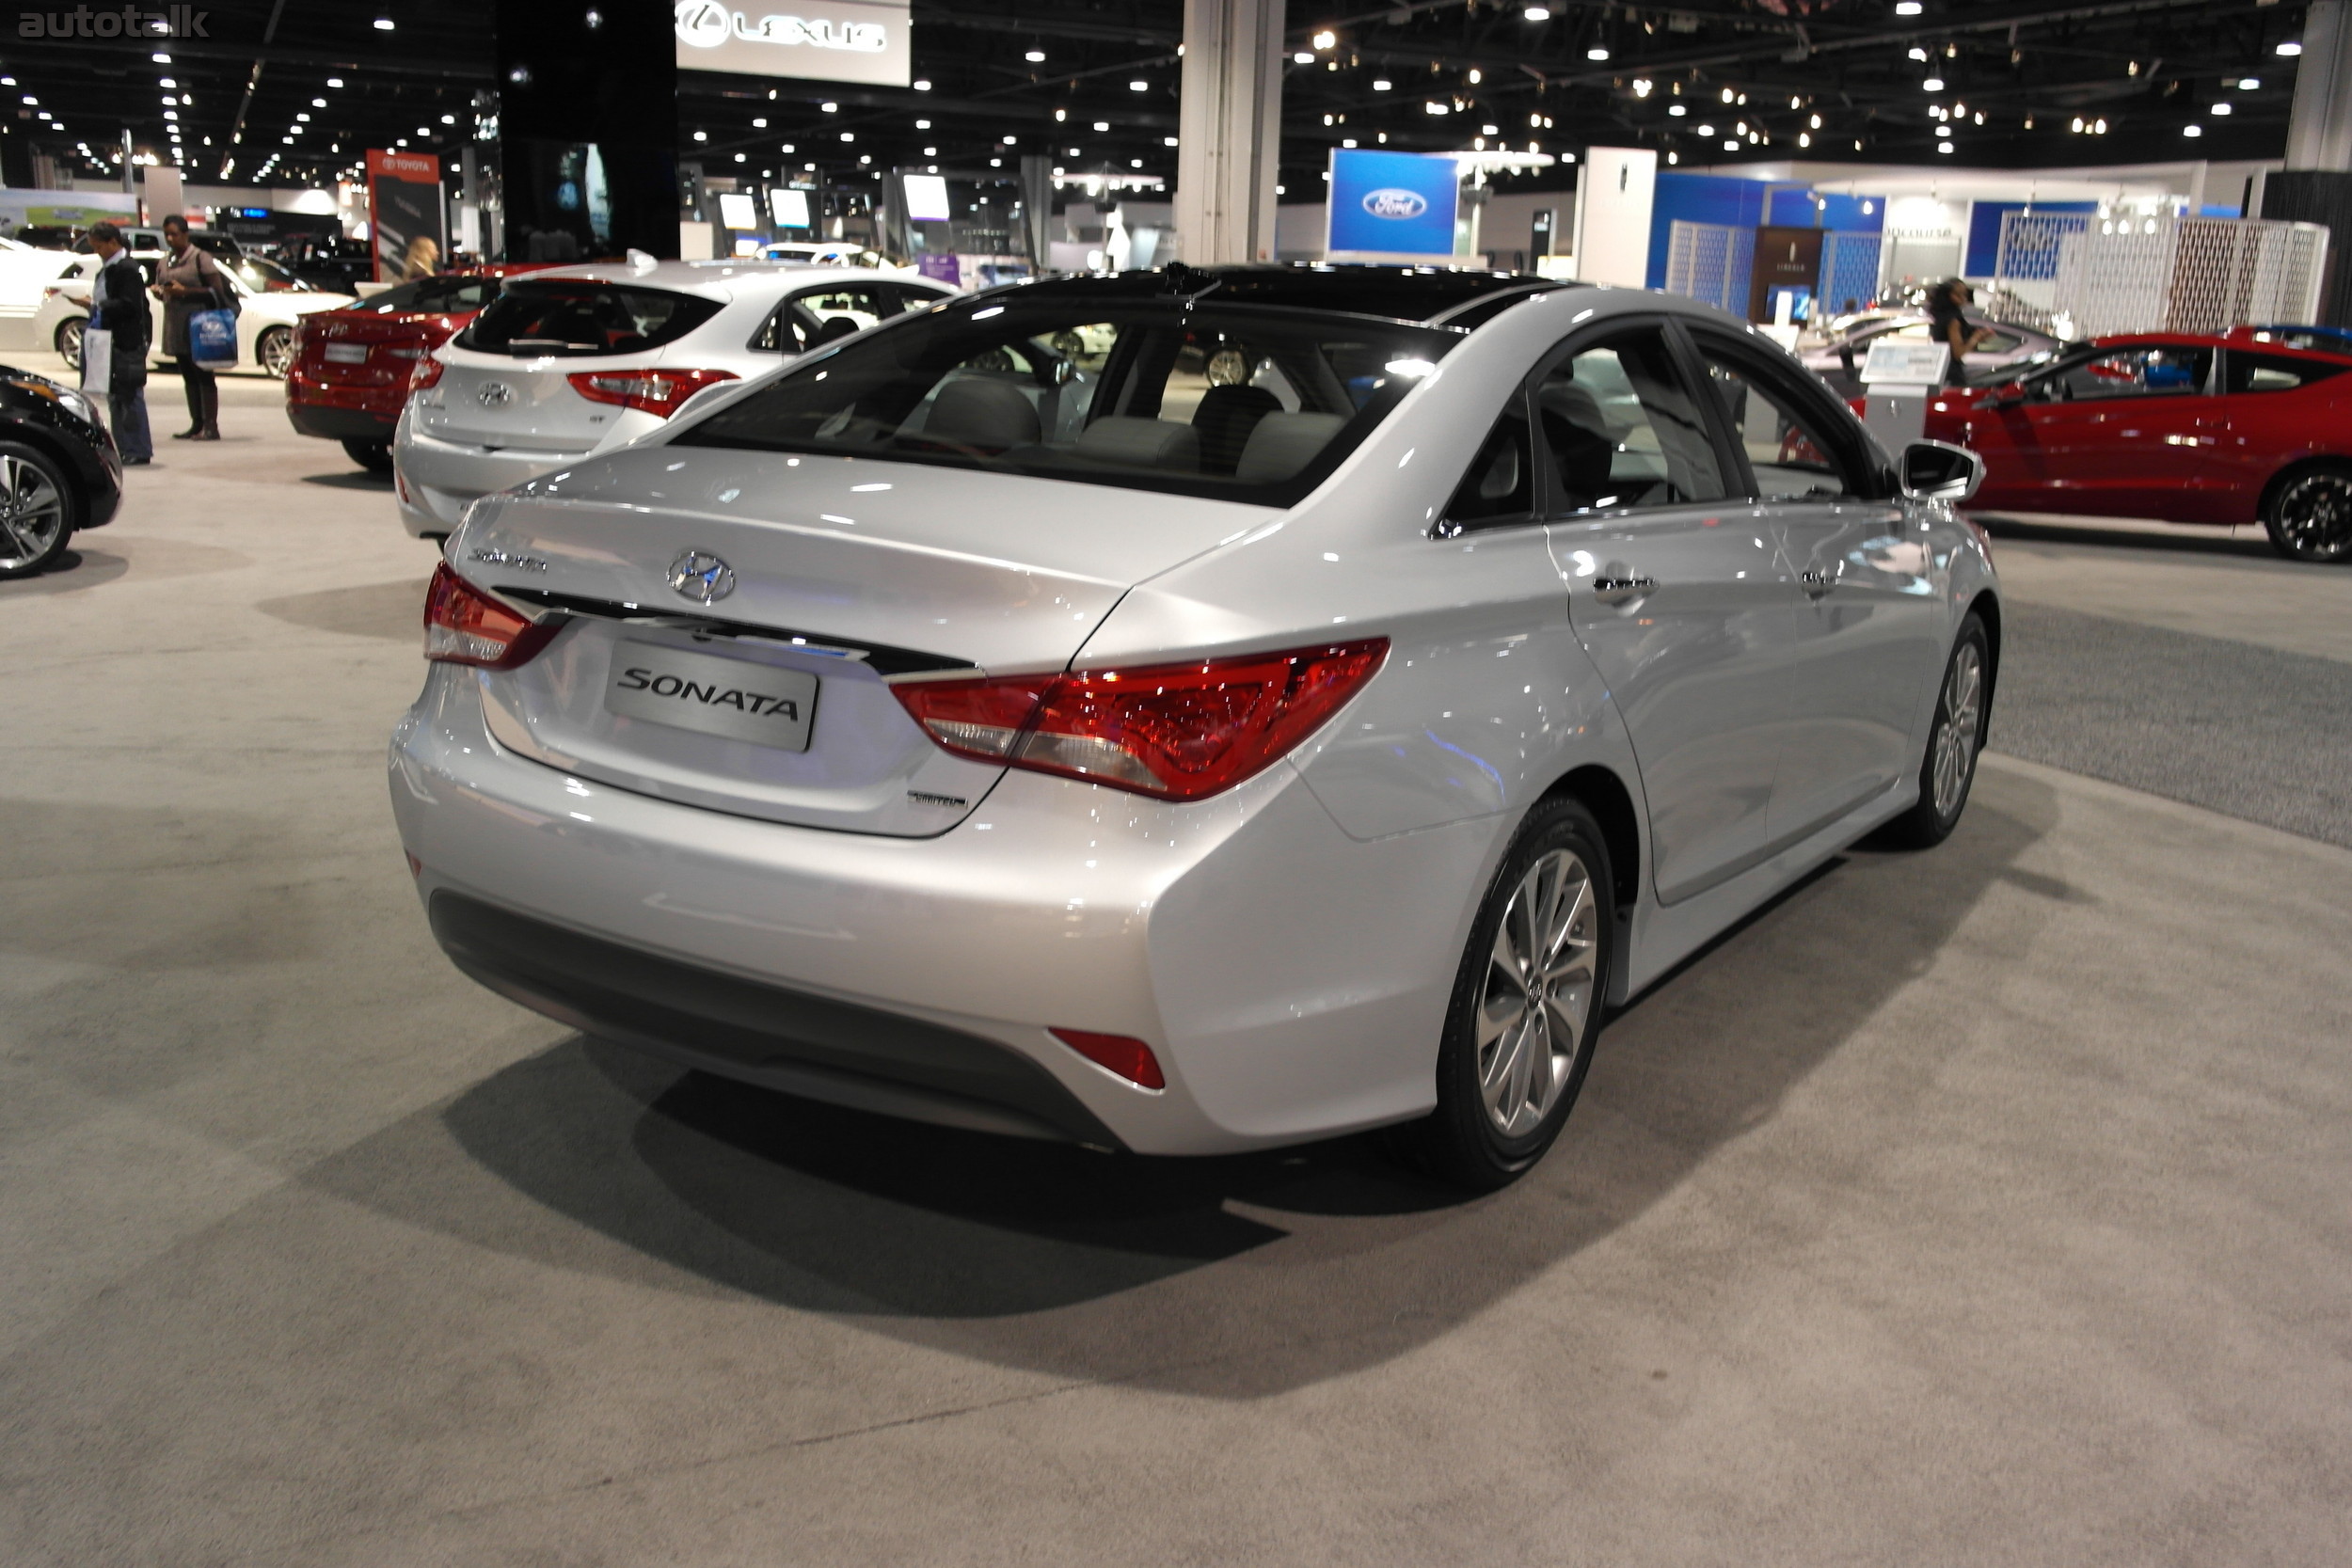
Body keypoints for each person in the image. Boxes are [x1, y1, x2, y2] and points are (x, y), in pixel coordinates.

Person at [152, 214, 228, 440]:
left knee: (204, 375)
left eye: (174, 234)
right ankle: (196, 423)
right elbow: (164, 289)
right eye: (167, 234)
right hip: (176, 324)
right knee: (188, 375)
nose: (170, 238)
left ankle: (211, 426)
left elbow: (217, 291)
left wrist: (185, 291)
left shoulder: (200, 258)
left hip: (200, 326)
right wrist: (160, 291)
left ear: (185, 234)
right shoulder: (165, 261)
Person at [85, 220, 152, 466]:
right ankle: (124, 447)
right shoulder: (109, 268)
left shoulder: (126, 269)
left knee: (130, 395)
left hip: (126, 342)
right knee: (115, 396)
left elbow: (130, 305)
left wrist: (102, 306)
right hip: (109, 339)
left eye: (99, 247)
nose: (97, 252)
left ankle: (138, 448)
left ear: (113, 242)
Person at [1927, 277, 1993, 387]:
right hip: (1952, 373)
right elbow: (1958, 353)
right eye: (1959, 294)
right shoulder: (1954, 320)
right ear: (1949, 295)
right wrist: (1976, 338)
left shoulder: (1939, 316)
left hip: (1939, 368)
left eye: (1965, 294)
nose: (1963, 298)